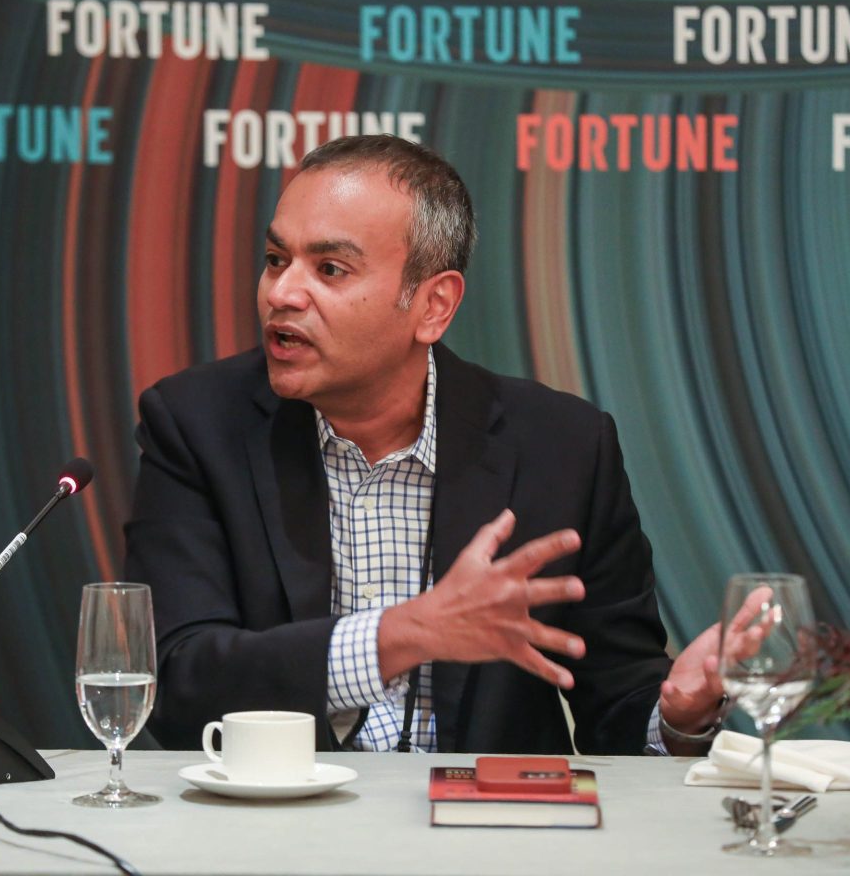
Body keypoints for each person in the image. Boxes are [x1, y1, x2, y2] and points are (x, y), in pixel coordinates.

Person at [125, 135, 725, 755]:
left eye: (330, 269)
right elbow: (178, 680)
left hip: (487, 815)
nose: (282, 294)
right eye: (277, 259)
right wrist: (401, 636)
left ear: (434, 305)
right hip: (282, 810)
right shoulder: (199, 425)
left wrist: (678, 717)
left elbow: (619, 700)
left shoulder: (561, 447)